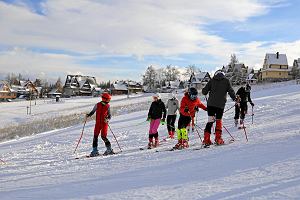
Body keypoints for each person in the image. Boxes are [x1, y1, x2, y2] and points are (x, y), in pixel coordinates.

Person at [202, 70, 236, 146]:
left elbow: (204, 92)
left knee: (210, 121)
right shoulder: (226, 81)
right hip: (220, 105)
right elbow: (231, 91)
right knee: (218, 121)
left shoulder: (212, 80)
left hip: (210, 105)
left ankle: (206, 140)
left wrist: (204, 90)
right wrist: (235, 98)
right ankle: (218, 139)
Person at [86, 92, 113, 157]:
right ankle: (95, 151)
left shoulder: (108, 106)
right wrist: (89, 115)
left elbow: (109, 115)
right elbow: (93, 111)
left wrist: (107, 119)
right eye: (108, 99)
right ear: (104, 99)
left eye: (109, 100)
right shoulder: (97, 105)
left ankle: (109, 150)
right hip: (97, 123)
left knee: (103, 136)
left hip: (104, 124)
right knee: (95, 137)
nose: (109, 101)